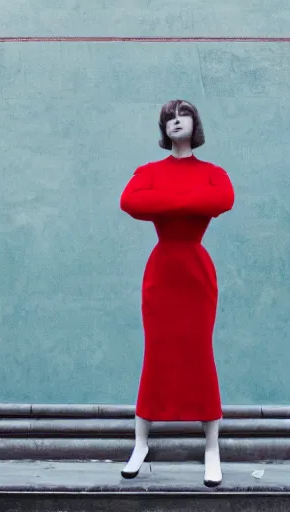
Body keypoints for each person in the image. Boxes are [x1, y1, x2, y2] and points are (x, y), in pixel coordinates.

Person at [118, 99, 234, 487]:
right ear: (163, 127)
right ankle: (140, 444)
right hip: (162, 272)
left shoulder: (213, 172)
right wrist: (186, 201)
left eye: (182, 115)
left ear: (195, 123)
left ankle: (212, 448)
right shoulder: (148, 171)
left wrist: (165, 202)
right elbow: (130, 201)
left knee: (201, 354)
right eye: (169, 117)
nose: (175, 121)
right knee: (156, 353)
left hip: (196, 274)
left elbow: (222, 200)